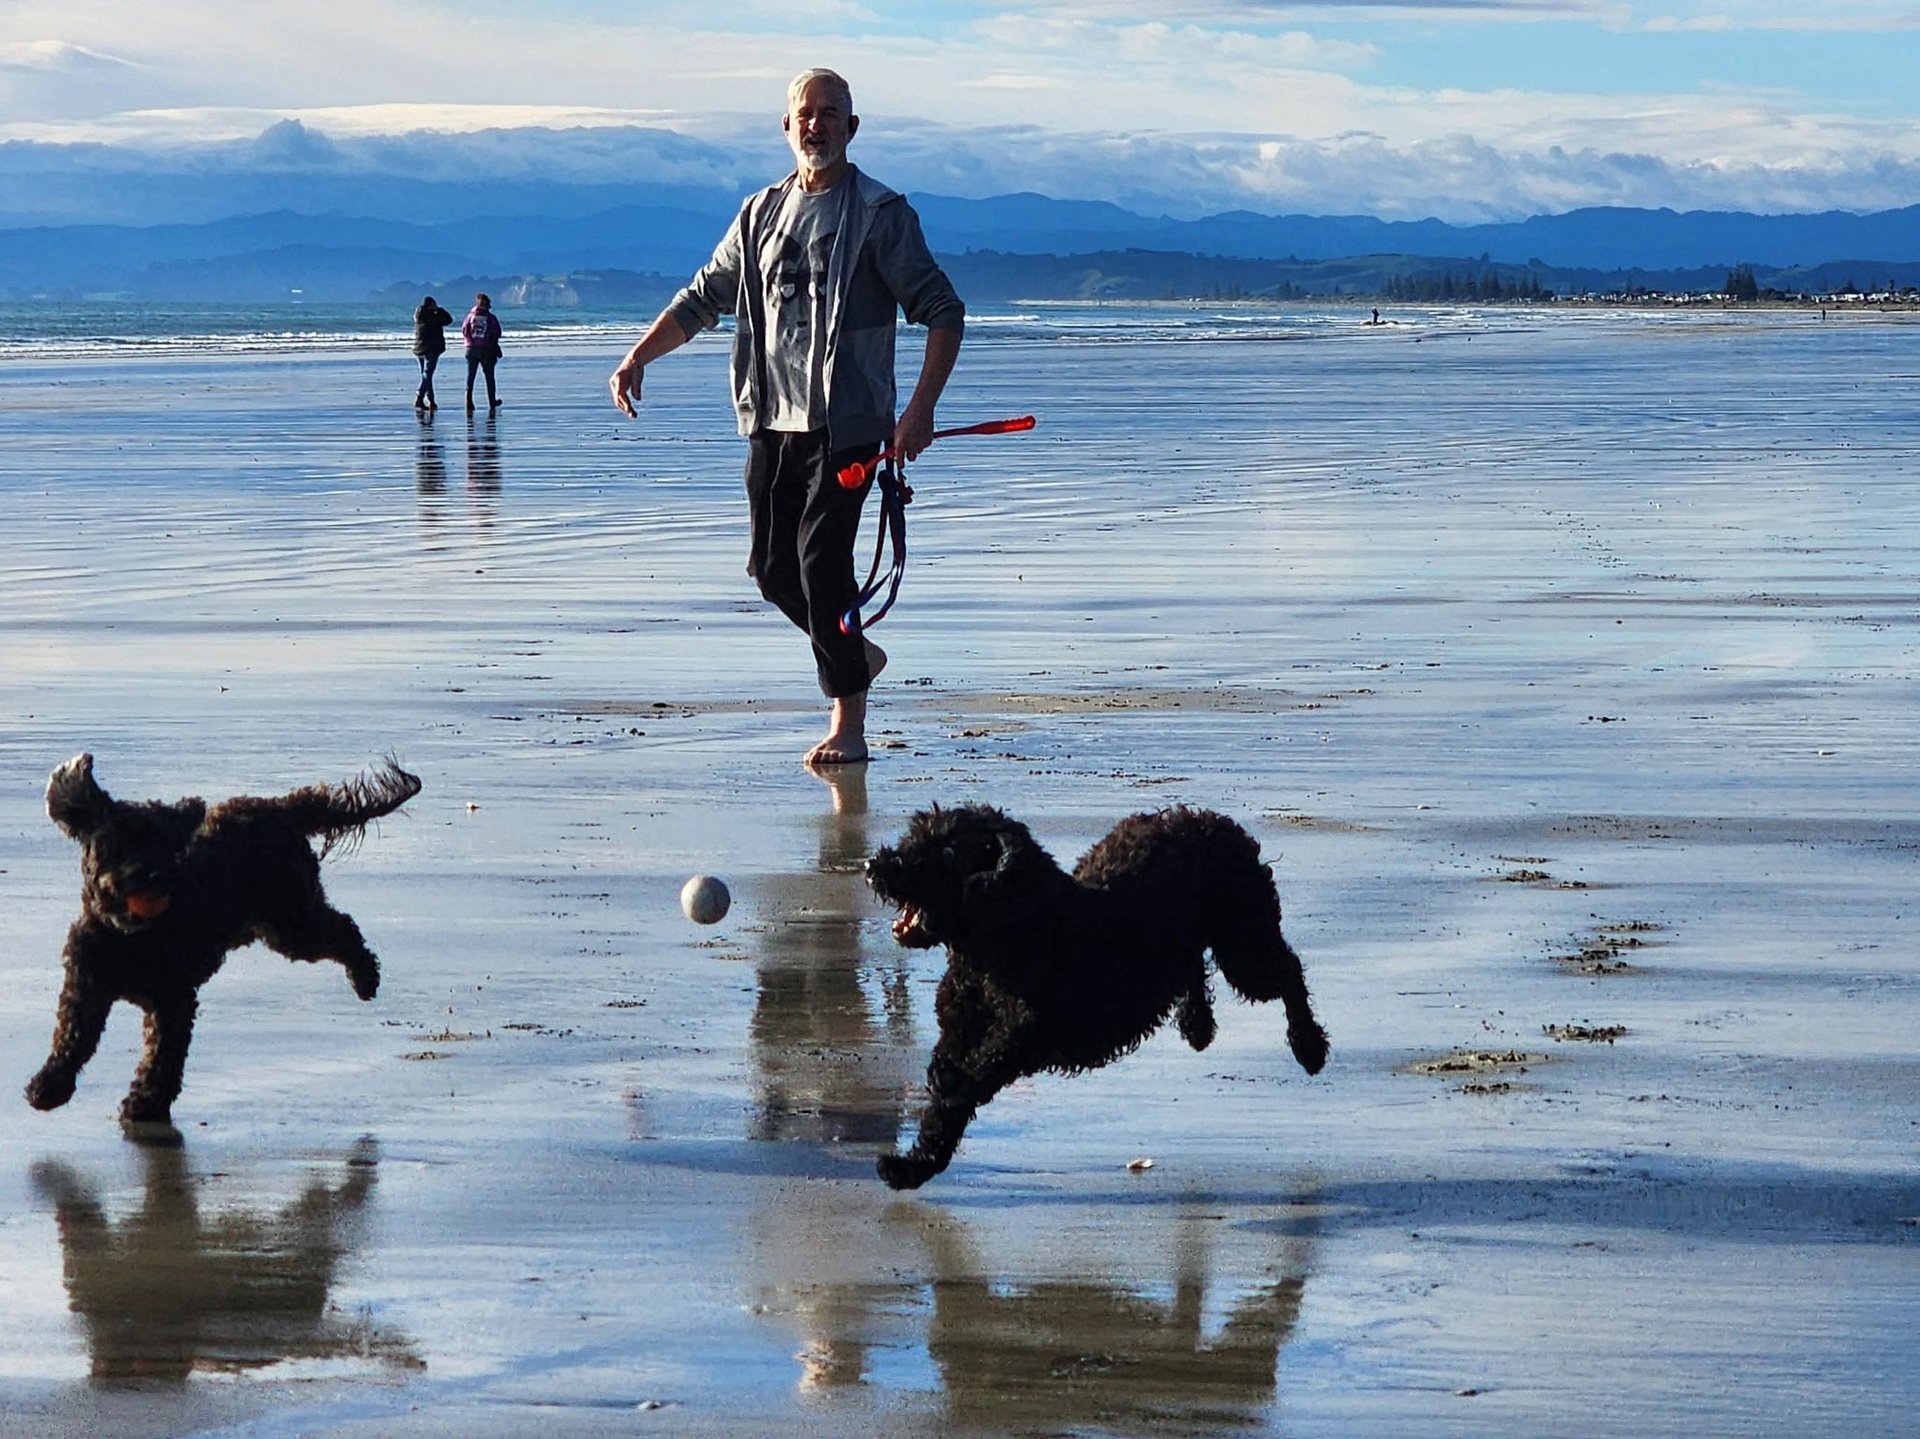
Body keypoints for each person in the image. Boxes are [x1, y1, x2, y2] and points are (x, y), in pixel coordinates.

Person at [608, 68, 965, 766]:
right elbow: (702, 298)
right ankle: (855, 654)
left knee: (823, 568)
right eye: (806, 112)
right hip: (772, 422)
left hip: (848, 426)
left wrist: (920, 409)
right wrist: (637, 356)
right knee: (773, 571)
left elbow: (943, 310)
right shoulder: (759, 214)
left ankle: (849, 722)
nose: (816, 124)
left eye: (831, 113)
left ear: (851, 128)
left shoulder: (881, 214)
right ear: (786, 125)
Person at [462, 293, 503, 412]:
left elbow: (464, 330)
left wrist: (470, 341)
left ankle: (468, 401)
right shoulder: (490, 318)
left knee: (471, 375)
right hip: (486, 349)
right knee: (489, 376)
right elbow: (497, 332)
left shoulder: (470, 317)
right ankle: (492, 401)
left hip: (471, 349)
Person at [412, 295, 453, 409]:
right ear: (431, 305)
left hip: (419, 348)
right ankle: (423, 397)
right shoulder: (433, 316)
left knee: (426, 375)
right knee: (428, 375)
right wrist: (439, 310)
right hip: (431, 348)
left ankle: (425, 399)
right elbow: (448, 320)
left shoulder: (418, 316)